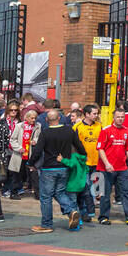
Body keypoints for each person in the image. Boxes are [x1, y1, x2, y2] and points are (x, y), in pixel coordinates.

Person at [31, 100, 79, 234]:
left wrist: (31, 163)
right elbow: (79, 146)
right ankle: (71, 210)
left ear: (46, 119)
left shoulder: (45, 132)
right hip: (64, 166)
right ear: (59, 118)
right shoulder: (69, 130)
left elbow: (38, 150)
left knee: (46, 197)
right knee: (59, 192)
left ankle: (46, 224)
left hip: (49, 168)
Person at [97, 109, 128, 225]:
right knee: (106, 193)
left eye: (122, 117)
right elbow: (100, 149)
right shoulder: (106, 131)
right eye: (118, 117)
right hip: (107, 169)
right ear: (113, 118)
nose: (120, 119)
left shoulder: (127, 131)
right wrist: (107, 164)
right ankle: (103, 217)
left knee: (126, 191)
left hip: (122, 168)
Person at [74, 105, 102, 222]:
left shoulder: (100, 126)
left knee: (96, 188)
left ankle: (92, 210)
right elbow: (73, 145)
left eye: (97, 114)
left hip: (97, 162)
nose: (96, 116)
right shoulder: (77, 127)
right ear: (86, 114)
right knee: (84, 188)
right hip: (83, 163)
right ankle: (85, 212)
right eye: (94, 114)